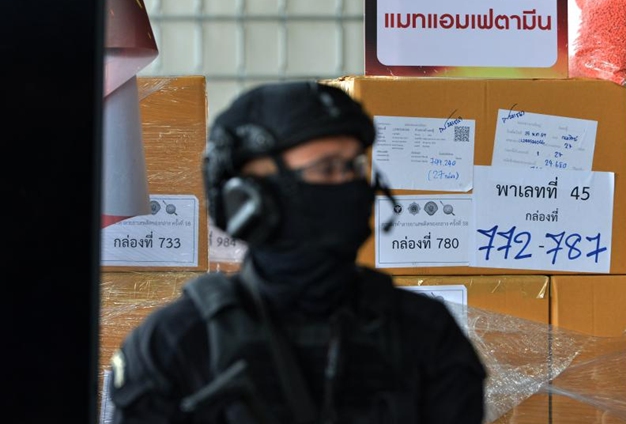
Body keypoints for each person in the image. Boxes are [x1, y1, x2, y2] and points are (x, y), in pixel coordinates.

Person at [108, 81, 487, 424]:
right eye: (326, 169)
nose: (348, 186)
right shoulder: (177, 342)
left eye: (353, 167)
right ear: (246, 197)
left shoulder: (423, 332)